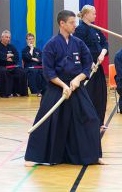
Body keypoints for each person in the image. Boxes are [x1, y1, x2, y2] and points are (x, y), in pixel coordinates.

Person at [25, 10, 103, 166]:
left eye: (75, 22)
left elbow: (88, 65)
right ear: (62, 23)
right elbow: (48, 72)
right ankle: (36, 157)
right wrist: (63, 85)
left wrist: (78, 79)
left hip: (76, 85)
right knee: (48, 119)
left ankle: (93, 156)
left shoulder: (79, 43)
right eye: (72, 22)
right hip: (57, 87)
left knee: (91, 118)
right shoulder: (51, 45)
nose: (75, 25)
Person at [74, 5, 108, 128]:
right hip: (87, 68)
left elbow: (105, 43)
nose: (95, 15)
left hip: (98, 66)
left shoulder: (96, 29)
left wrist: (103, 53)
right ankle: (88, 122)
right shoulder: (80, 30)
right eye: (93, 13)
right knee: (89, 94)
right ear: (86, 14)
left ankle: (99, 121)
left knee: (101, 94)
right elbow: (80, 48)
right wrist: (89, 61)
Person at [0, 30, 28, 98]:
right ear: (2, 37)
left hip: (11, 66)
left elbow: (17, 57)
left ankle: (20, 92)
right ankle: (5, 94)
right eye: (6, 37)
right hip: (0, 66)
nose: (8, 39)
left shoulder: (12, 47)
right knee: (4, 71)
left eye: (9, 37)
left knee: (22, 71)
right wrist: (7, 56)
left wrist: (8, 58)